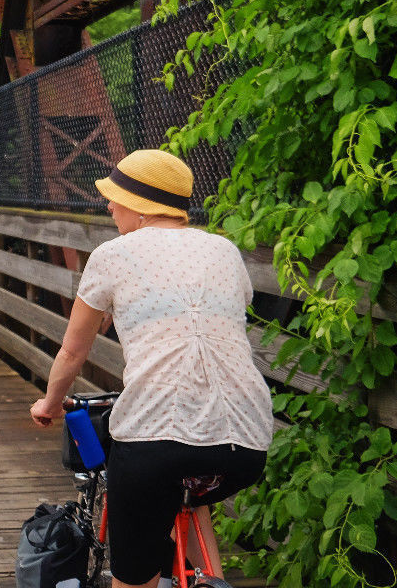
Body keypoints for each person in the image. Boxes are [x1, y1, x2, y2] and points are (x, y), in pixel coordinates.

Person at [29, 150, 273, 588]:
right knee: (191, 491)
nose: (109, 206)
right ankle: (211, 578)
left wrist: (48, 403)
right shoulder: (224, 251)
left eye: (115, 197)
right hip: (247, 444)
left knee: (136, 569)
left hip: (154, 444)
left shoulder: (112, 255)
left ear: (139, 206)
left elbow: (71, 353)